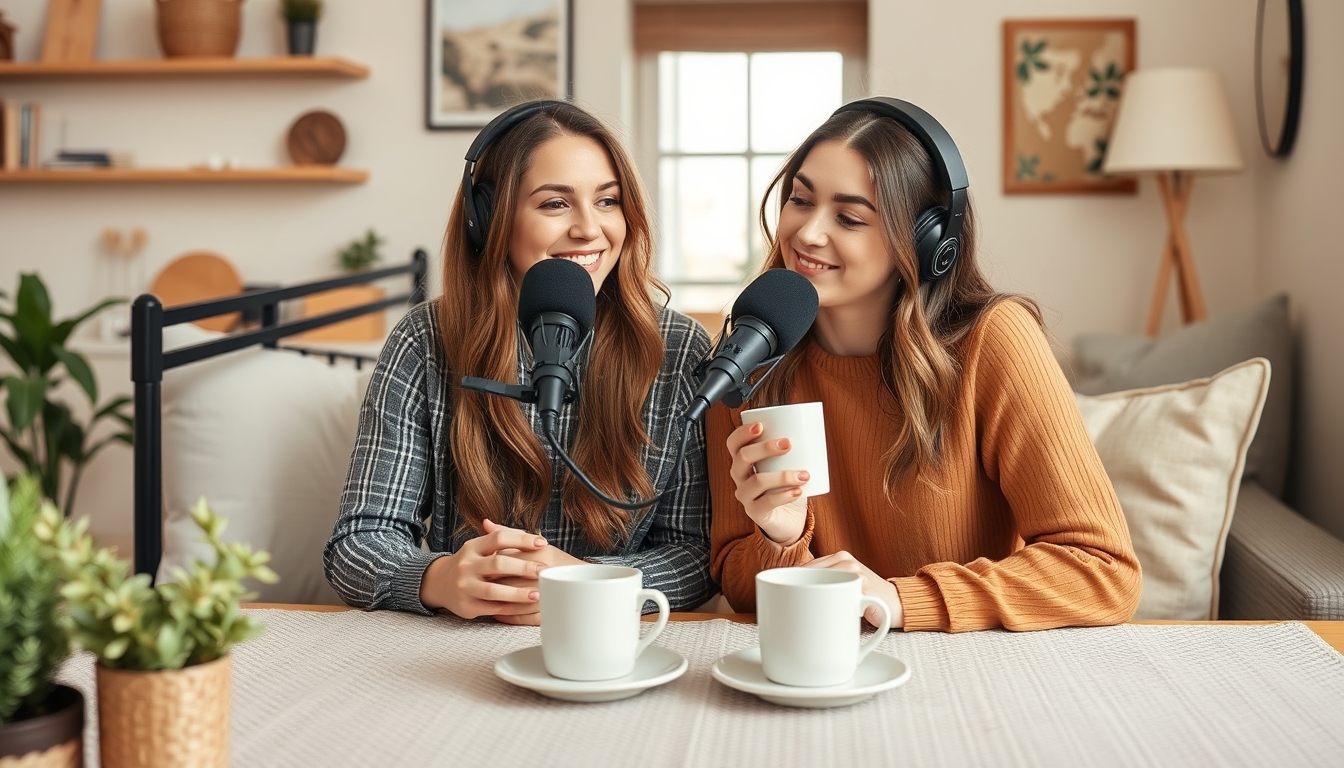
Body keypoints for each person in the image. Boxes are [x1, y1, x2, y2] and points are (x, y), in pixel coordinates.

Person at [708, 98, 1141, 632]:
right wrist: (781, 539)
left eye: (848, 217)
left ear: (925, 240)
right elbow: (733, 576)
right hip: (824, 669)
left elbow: (1103, 571)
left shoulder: (993, 342)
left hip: (969, 673)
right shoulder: (748, 354)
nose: (808, 233)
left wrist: (901, 599)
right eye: (800, 200)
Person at [325, 100, 715, 623]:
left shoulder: (679, 348)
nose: (589, 230)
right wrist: (438, 578)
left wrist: (581, 584)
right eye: (555, 204)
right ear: (491, 221)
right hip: (457, 645)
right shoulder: (424, 341)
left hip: (606, 636)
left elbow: (693, 556)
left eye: (608, 201)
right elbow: (358, 541)